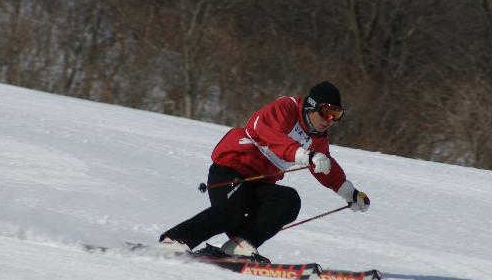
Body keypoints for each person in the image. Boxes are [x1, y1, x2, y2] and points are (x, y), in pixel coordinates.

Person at [159, 80, 370, 260]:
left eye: (336, 114)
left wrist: (349, 193)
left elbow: (326, 167)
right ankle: (176, 240)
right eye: (326, 112)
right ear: (311, 106)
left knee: (288, 200)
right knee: (232, 211)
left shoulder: (317, 137)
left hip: (258, 182)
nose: (329, 120)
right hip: (231, 169)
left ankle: (239, 245)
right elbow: (262, 129)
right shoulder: (287, 108)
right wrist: (302, 154)